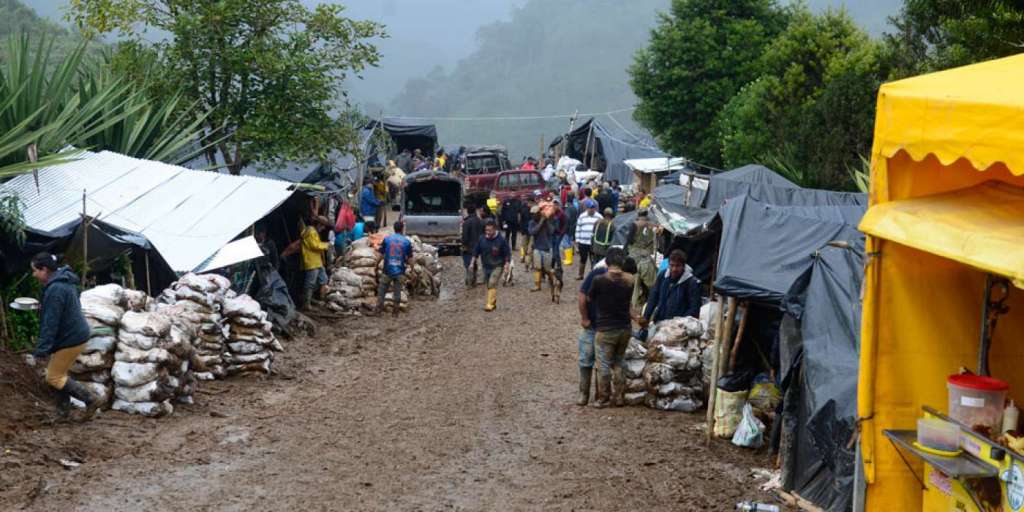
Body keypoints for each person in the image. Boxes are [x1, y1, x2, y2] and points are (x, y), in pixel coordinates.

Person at [27, 253, 98, 420]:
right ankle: (62, 413)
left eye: (34, 270)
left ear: (44, 269)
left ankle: (90, 399)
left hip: (71, 338)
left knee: (53, 377)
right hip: (74, 334)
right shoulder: (63, 282)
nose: (33, 274)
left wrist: (41, 351)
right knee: (58, 374)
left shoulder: (56, 289)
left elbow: (50, 324)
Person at [586, 247, 636, 408]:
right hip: (625, 327)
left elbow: (589, 297)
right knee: (619, 360)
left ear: (606, 262)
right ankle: (620, 396)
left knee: (603, 364)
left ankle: (603, 398)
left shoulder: (599, 280)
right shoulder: (630, 280)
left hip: (606, 328)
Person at [575, 246, 618, 405]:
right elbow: (582, 295)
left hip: (607, 328)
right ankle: (583, 393)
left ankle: (600, 395)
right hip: (592, 325)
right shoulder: (596, 274)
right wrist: (585, 318)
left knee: (603, 363)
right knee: (586, 360)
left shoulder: (621, 278)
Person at [641, 249, 702, 333]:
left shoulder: (691, 283)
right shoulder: (663, 276)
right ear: (668, 264)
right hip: (660, 321)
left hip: (679, 328)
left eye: (677, 266)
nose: (674, 269)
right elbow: (653, 297)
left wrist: (677, 323)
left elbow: (694, 309)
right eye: (672, 265)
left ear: (683, 266)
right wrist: (646, 317)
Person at [472, 219, 511, 312]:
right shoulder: (481, 238)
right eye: (486, 230)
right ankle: (493, 302)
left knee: (492, 282)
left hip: (498, 265)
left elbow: (507, 253)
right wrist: (472, 261)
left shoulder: (501, 240)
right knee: (489, 284)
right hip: (486, 265)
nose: (488, 232)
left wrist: (507, 263)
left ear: (494, 230)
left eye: (490, 230)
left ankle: (489, 304)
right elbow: (476, 250)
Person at [377, 221, 413, 317]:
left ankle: (378, 310)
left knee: (382, 291)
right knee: (397, 292)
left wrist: (376, 264)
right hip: (400, 270)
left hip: (387, 269)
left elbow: (380, 255)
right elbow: (410, 259)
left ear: (394, 228)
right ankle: (395, 312)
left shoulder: (387, 239)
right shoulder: (407, 242)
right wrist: (412, 269)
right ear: (402, 229)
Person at [624, 208, 659, 311]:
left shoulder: (634, 224)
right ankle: (648, 304)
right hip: (647, 257)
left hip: (634, 256)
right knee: (649, 283)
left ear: (638, 214)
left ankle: (632, 303)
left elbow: (629, 240)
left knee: (633, 282)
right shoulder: (653, 225)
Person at [301, 216, 331, 309]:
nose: (323, 229)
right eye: (322, 226)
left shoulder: (314, 232)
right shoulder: (310, 231)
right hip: (311, 261)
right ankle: (306, 303)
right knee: (310, 283)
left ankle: (313, 298)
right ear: (318, 224)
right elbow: (315, 245)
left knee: (323, 279)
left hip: (317, 261)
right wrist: (326, 245)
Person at [528, 206, 555, 292]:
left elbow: (552, 231)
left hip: (546, 247)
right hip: (537, 247)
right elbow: (532, 232)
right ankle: (537, 285)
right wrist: (540, 222)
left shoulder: (546, 221)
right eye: (532, 214)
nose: (533, 216)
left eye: (534, 214)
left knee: (547, 269)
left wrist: (546, 222)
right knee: (537, 267)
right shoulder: (532, 222)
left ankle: (552, 281)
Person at [574, 199, 600, 279]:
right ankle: (580, 275)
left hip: (593, 242)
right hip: (583, 242)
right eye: (590, 208)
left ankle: (594, 275)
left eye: (593, 208)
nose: (591, 209)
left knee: (593, 260)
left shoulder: (599, 216)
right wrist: (577, 240)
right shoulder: (582, 216)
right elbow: (578, 228)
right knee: (583, 259)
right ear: (586, 208)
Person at [461, 205, 484, 286]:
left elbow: (465, 236)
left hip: (469, 246)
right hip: (478, 246)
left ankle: (469, 280)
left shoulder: (466, 222)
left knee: (468, 263)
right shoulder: (480, 221)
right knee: (474, 262)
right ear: (475, 211)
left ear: (467, 211)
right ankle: (474, 280)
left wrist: (464, 244)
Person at [333, 198, 356, 262]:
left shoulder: (343, 209)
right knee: (342, 254)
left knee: (342, 253)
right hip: (341, 234)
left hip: (339, 234)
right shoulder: (345, 209)